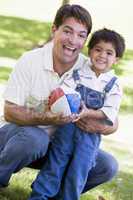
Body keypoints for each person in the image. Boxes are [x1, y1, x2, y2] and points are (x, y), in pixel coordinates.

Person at [0, 3, 118, 196]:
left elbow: (113, 123)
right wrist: (48, 118)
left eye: (81, 35)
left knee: (107, 165)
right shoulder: (30, 60)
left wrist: (96, 125)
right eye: (67, 31)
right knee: (34, 138)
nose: (73, 41)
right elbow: (10, 111)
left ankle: (56, 194)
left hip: (60, 146)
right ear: (54, 30)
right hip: (19, 139)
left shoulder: (90, 69)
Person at [28, 28, 125, 200]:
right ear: (90, 51)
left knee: (79, 170)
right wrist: (59, 101)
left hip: (89, 139)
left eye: (109, 53)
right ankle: (40, 195)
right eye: (98, 49)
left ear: (116, 59)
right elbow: (63, 93)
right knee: (55, 163)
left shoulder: (114, 84)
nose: (102, 55)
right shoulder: (78, 73)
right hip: (66, 130)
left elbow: (110, 112)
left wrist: (88, 112)